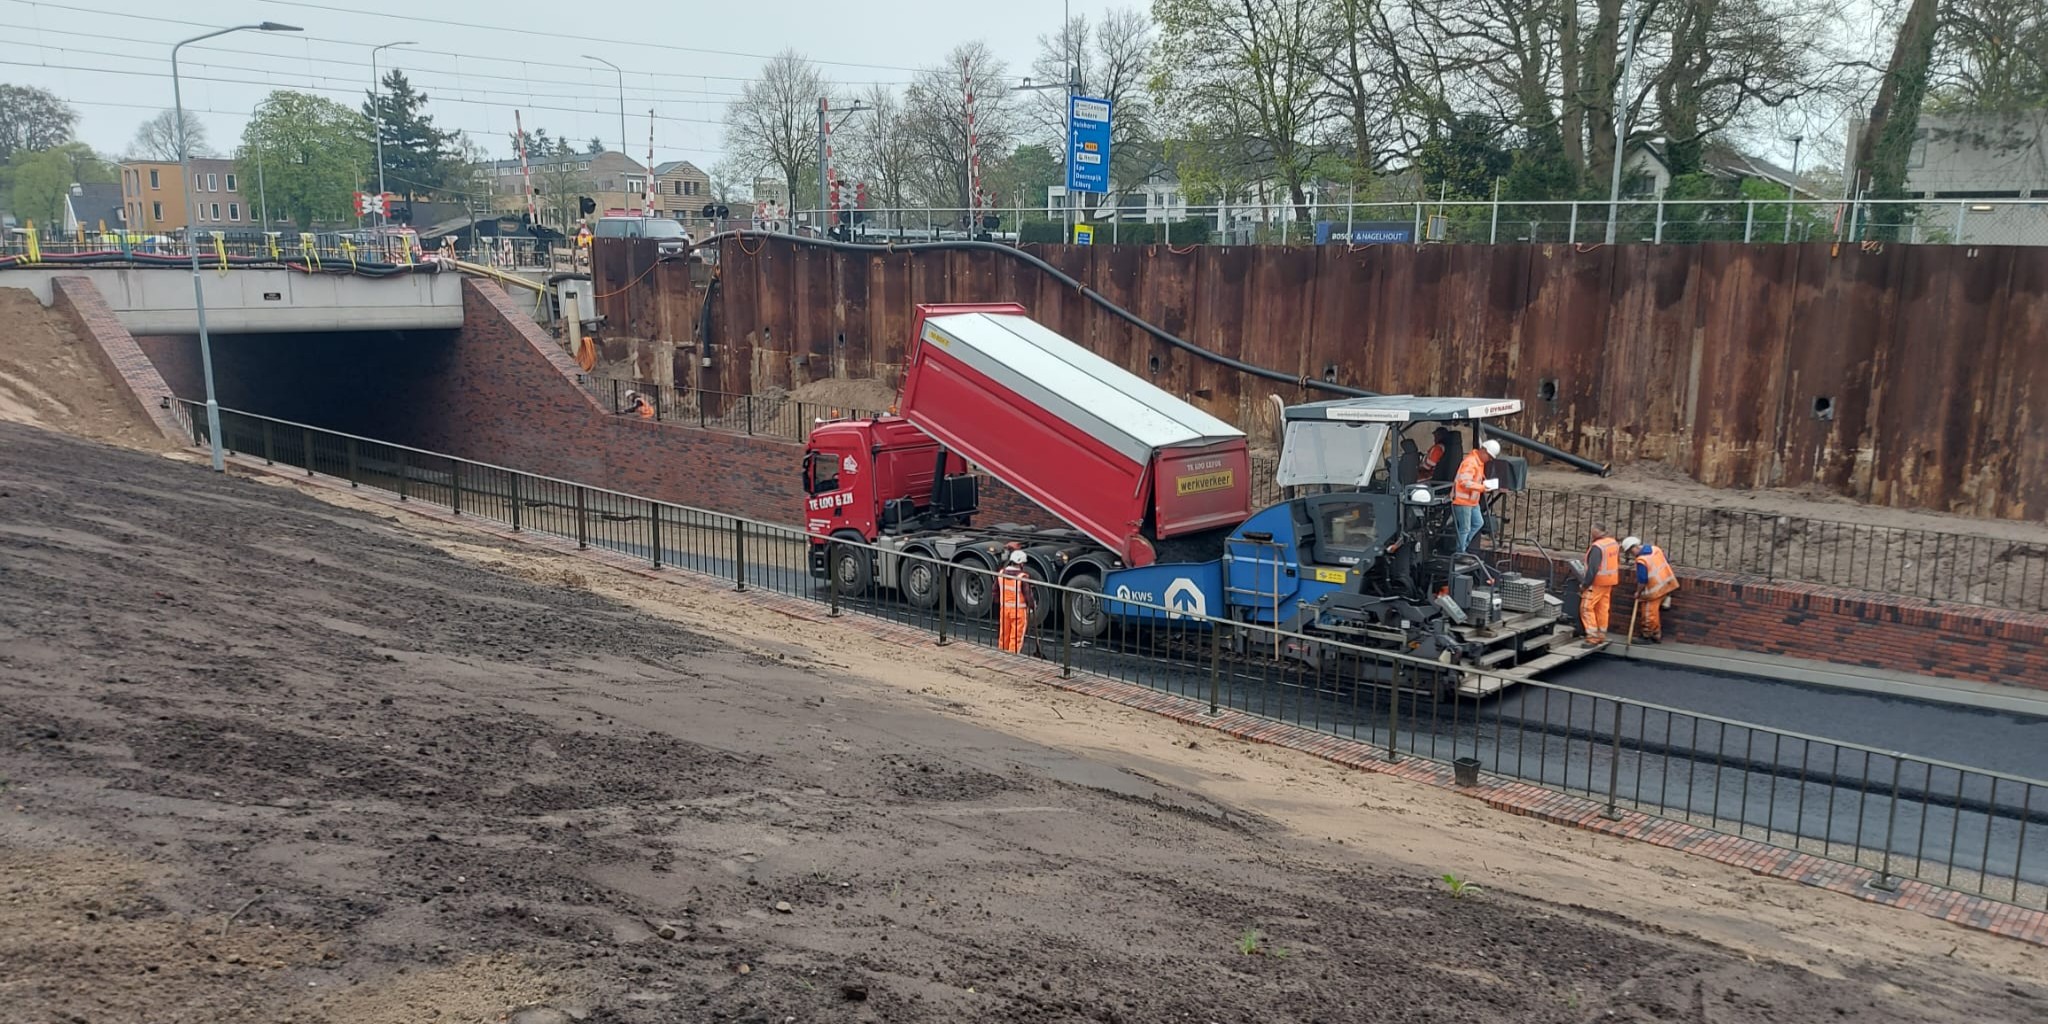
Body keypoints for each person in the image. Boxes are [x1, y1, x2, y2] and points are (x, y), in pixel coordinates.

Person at [1622, 536, 1679, 643]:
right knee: (1654, 612)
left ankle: (1647, 635)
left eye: (1630, 551)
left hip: (1655, 589)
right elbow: (1665, 562)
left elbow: (1642, 580)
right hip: (1666, 584)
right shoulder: (1656, 549)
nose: (1631, 554)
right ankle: (1656, 634)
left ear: (1634, 547)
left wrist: (1638, 592)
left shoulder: (1642, 560)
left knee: (1648, 613)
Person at [1451, 439, 1500, 553]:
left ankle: (1462, 547)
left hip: (1471, 501)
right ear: (1483, 451)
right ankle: (1460, 552)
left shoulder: (1478, 462)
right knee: (1465, 528)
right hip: (1462, 501)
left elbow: (1475, 478)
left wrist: (1485, 483)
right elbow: (1465, 482)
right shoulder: (1471, 462)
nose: (1489, 459)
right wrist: (1482, 487)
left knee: (1478, 523)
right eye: (1489, 456)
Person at [1580, 526, 1621, 645]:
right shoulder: (1613, 543)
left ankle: (1592, 637)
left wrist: (1585, 585)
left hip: (1597, 583)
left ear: (1597, 532)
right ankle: (1601, 634)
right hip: (1609, 582)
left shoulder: (1598, 547)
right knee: (1602, 608)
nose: (1591, 533)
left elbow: (1592, 569)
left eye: (1593, 531)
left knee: (1586, 608)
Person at [996, 546, 1035, 655]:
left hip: (1004, 609)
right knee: (1016, 636)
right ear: (1021, 564)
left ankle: (1001, 654)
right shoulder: (1022, 577)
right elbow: (1028, 595)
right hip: (1018, 611)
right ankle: (1012, 657)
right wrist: (1032, 606)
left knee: (1004, 634)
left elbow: (995, 590)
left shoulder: (1001, 573)